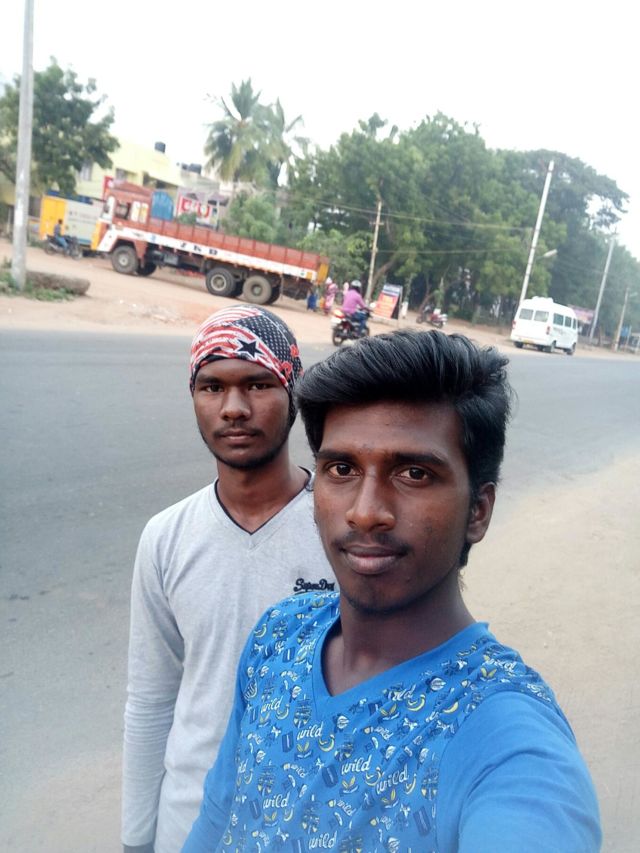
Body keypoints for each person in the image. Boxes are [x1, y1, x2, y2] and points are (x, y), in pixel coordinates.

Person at [184, 329, 601, 852]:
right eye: (341, 469)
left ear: (478, 511)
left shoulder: (505, 741)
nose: (365, 512)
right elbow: (219, 817)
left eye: (414, 474)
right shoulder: (279, 635)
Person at [122, 305, 336, 853]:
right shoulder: (166, 538)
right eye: (212, 387)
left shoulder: (342, 531)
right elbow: (151, 698)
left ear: (294, 391)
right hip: (187, 824)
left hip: (310, 826)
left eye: (258, 384)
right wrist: (136, 836)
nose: (234, 409)